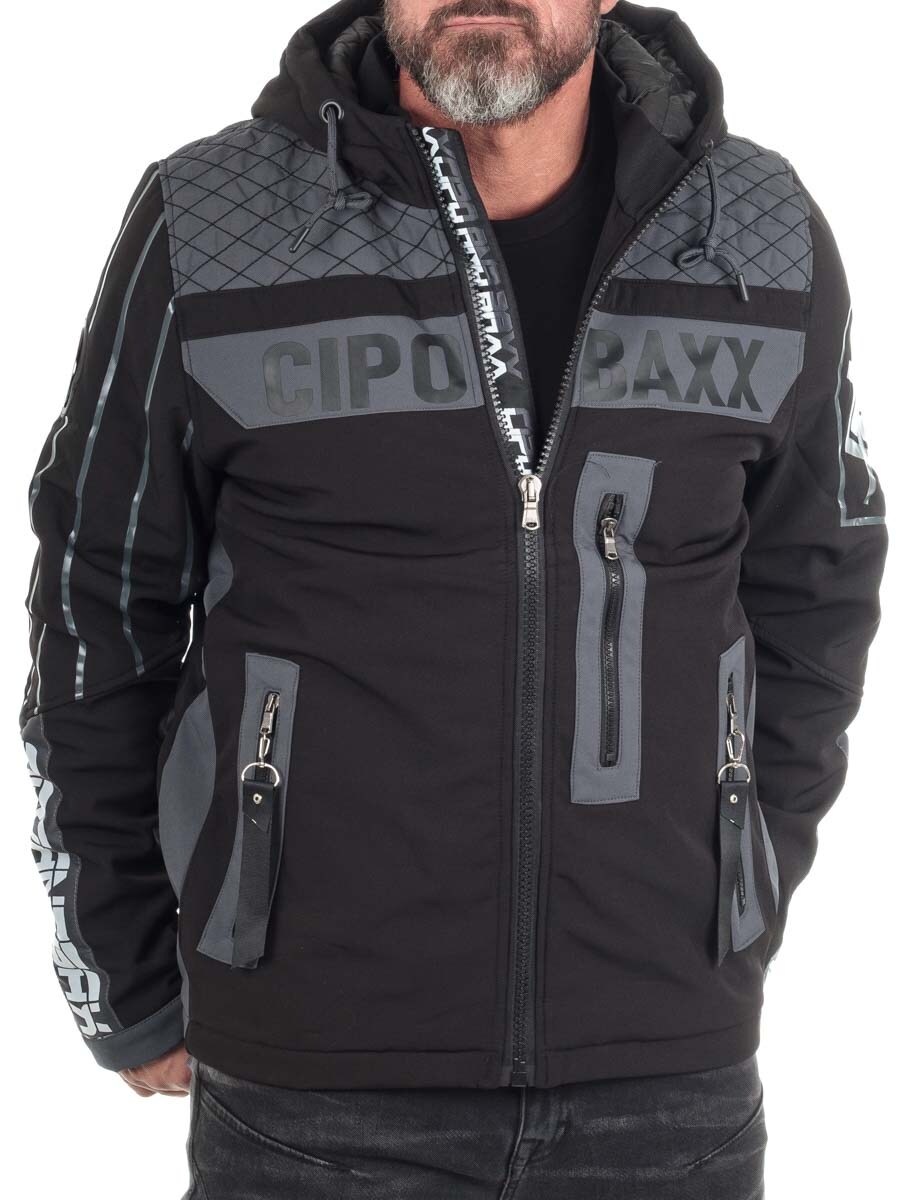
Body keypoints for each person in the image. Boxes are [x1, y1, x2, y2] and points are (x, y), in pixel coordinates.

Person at [19, 0, 888, 1196]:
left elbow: (816, 598)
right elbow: (98, 601)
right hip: (314, 1093)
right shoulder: (208, 228)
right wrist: (123, 973)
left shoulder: (759, 231)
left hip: (668, 1089)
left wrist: (732, 890)